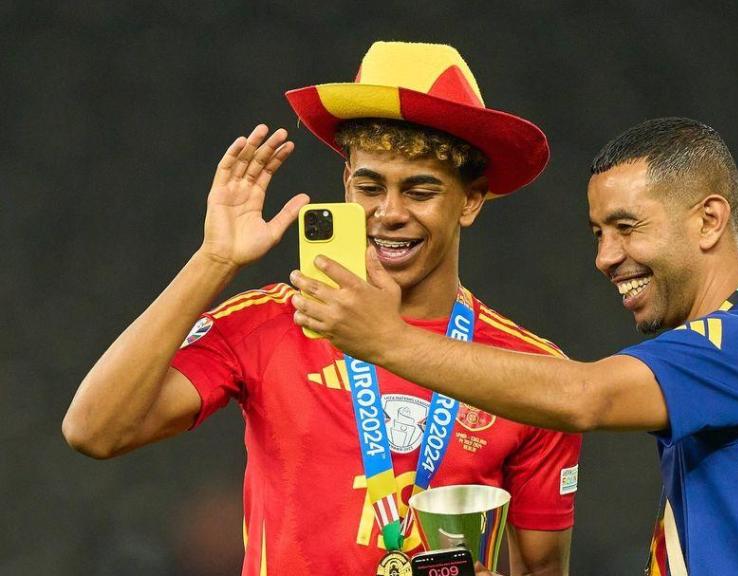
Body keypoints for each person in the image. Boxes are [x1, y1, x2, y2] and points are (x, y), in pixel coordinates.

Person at [63, 42, 580, 576]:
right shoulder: (269, 322)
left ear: (470, 200)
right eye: (370, 186)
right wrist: (213, 260)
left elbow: (542, 568)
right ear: (345, 185)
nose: (390, 213)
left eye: (421, 191)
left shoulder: (532, 375)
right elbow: (95, 430)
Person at [291, 117, 738, 575]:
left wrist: (387, 341)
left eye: (627, 227)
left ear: (708, 221)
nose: (604, 256)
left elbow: (585, 397)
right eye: (598, 233)